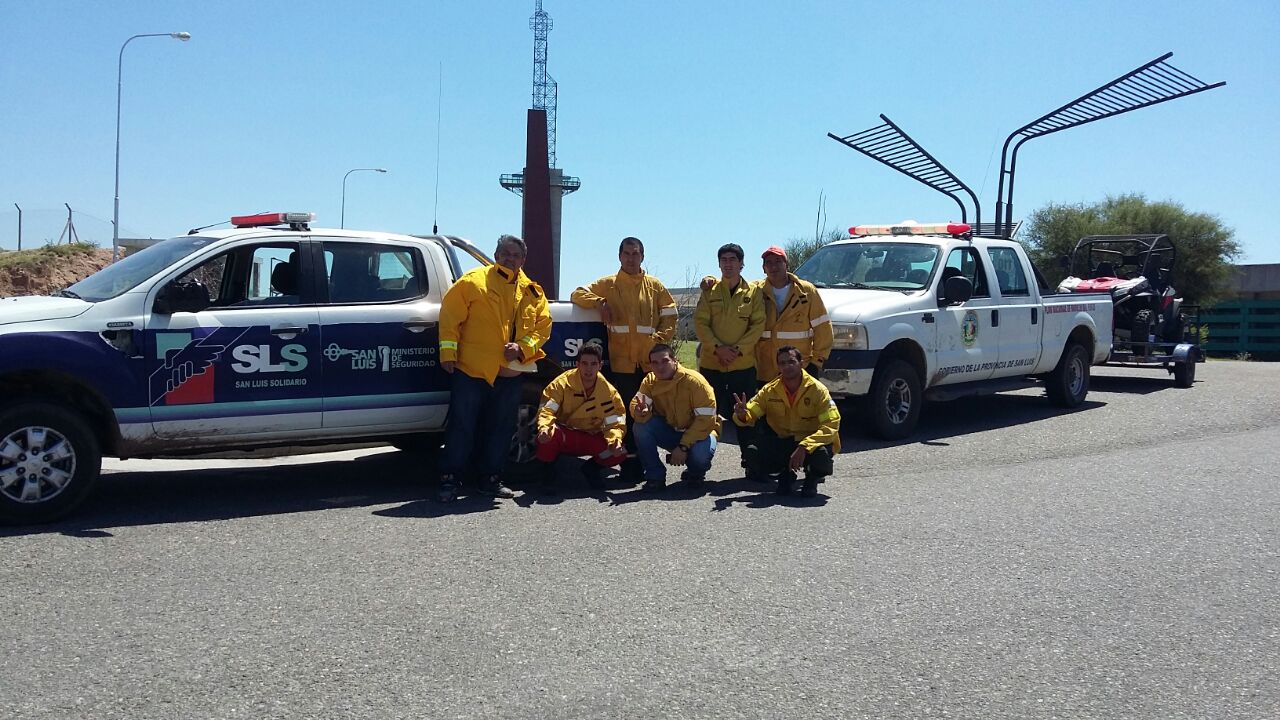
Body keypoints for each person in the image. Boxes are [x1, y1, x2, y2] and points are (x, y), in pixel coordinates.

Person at [436, 234, 552, 503]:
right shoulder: (473, 281)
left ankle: (491, 479)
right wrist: (448, 352)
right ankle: (449, 480)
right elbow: (450, 316)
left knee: (501, 429)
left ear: (523, 260)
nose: (509, 258)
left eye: (515, 254)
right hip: (472, 369)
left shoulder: (533, 292)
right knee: (462, 426)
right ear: (496, 254)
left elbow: (542, 328)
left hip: (510, 374)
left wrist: (523, 347)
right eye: (505, 253)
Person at [570, 236, 677, 478]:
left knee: (650, 414)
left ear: (642, 256)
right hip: (623, 364)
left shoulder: (655, 286)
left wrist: (657, 340)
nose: (631, 258)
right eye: (627, 253)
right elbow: (577, 294)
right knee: (628, 415)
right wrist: (599, 303)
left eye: (636, 253)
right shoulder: (609, 284)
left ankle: (650, 462)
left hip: (650, 364)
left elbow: (671, 314)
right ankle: (631, 464)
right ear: (619, 256)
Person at [733, 346, 841, 498]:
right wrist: (742, 414)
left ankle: (812, 478)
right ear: (778, 366)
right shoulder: (769, 390)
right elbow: (751, 413)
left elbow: (831, 425)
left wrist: (805, 446)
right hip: (785, 441)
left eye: (791, 362)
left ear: (801, 363)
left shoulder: (818, 390)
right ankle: (786, 473)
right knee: (752, 452)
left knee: (821, 457)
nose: (787, 366)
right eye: (782, 363)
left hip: (811, 442)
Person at [694, 242, 764, 470]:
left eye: (733, 259)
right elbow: (701, 323)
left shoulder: (753, 292)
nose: (728, 264)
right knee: (706, 414)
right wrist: (717, 348)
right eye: (724, 260)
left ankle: (752, 461)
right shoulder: (710, 291)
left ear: (742, 264)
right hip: (712, 364)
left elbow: (757, 325)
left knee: (745, 415)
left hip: (741, 365)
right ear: (719, 264)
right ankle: (698, 463)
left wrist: (737, 351)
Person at [534, 342, 628, 493]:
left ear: (600, 365)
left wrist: (615, 440)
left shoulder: (609, 392)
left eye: (593, 364)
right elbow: (547, 411)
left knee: (620, 452)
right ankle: (547, 474)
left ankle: (591, 469)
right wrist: (544, 428)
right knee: (547, 435)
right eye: (584, 363)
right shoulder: (561, 384)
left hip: (591, 437)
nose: (588, 369)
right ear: (577, 364)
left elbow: (615, 423)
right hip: (565, 435)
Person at [629, 343, 718, 492]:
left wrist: (683, 446)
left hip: (700, 434)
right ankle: (655, 476)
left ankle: (695, 473)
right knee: (640, 427)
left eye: (665, 361)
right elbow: (637, 403)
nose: (660, 367)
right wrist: (639, 410)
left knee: (700, 456)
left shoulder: (696, 382)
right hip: (670, 432)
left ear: (675, 360)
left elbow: (706, 420)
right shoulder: (650, 381)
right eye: (655, 363)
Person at [755, 246, 833, 383]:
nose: (773, 266)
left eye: (778, 261)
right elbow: (732, 284)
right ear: (763, 268)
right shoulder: (755, 291)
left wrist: (817, 361)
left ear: (787, 264)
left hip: (800, 368)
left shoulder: (806, 291)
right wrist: (710, 279)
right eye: (769, 263)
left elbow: (823, 328)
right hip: (765, 370)